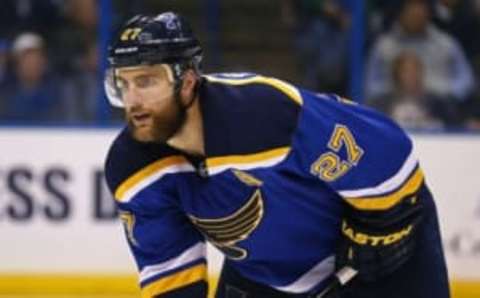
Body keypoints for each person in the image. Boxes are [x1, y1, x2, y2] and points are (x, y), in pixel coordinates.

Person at [104, 12, 450, 298]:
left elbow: (382, 146)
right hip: (266, 277)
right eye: (124, 84)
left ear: (188, 81)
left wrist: (383, 224)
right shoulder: (133, 167)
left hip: (374, 256)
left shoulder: (259, 113)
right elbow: (171, 278)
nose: (133, 100)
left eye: (146, 81)